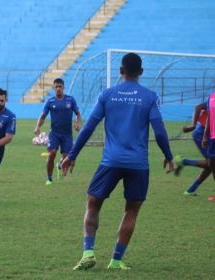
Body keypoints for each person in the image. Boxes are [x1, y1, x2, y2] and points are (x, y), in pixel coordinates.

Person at [61, 53, 174, 270]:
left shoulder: (107, 95)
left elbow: (88, 127)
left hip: (110, 161)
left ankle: (88, 253)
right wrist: (168, 156)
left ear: (120, 71)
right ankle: (116, 260)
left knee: (93, 204)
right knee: (131, 210)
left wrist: (72, 155)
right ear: (141, 72)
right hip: (139, 164)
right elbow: (159, 132)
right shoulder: (149, 96)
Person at [34, 78, 81, 185]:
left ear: (63, 87)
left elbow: (78, 113)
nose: (58, 88)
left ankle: (59, 165)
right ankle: (49, 178)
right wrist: (37, 127)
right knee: (52, 154)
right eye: (56, 87)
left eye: (60, 86)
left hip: (67, 134)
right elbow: (43, 116)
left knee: (66, 158)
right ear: (54, 88)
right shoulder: (50, 101)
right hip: (54, 133)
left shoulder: (70, 100)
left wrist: (77, 123)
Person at [174, 102, 214, 196]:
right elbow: (198, 106)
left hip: (206, 134)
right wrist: (193, 125)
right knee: (211, 163)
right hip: (202, 134)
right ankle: (183, 162)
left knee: (211, 164)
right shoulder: (213, 98)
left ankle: (190, 190)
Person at [202, 92, 215, 202]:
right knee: (212, 164)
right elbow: (209, 117)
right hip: (212, 137)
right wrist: (205, 136)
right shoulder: (211, 96)